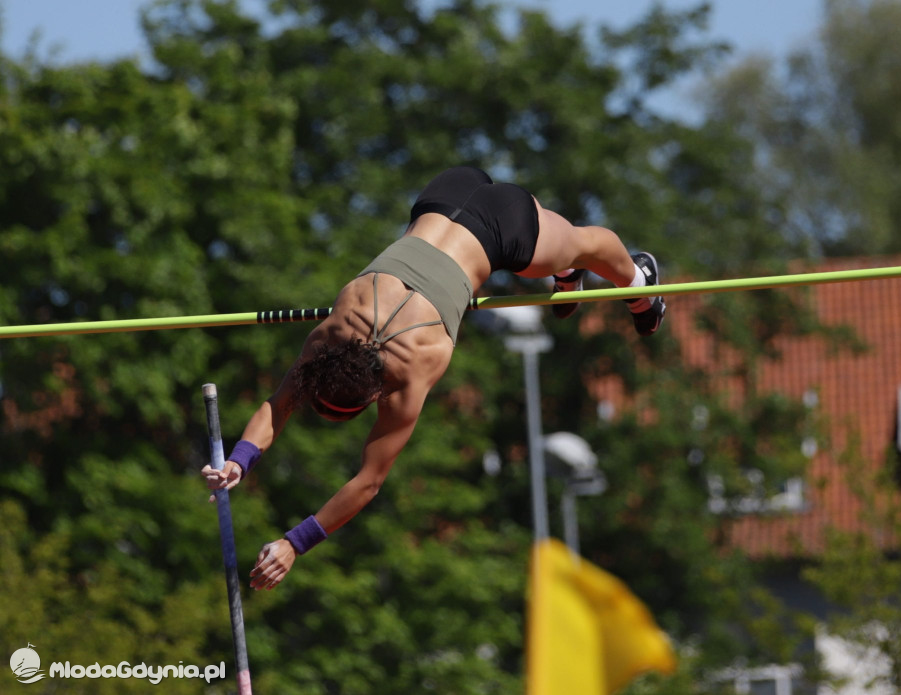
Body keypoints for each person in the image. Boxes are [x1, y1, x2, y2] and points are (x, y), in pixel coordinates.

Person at [201, 166, 665, 590]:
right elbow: (281, 403)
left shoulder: (412, 366)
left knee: (588, 245)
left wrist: (293, 544)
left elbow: (368, 481)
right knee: (562, 248)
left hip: (502, 226)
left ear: (376, 395)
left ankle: (639, 283)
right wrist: (237, 461)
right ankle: (566, 273)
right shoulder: (335, 330)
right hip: (445, 192)